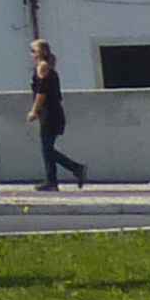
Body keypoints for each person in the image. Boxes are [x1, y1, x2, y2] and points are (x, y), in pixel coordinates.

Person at [27, 38, 89, 191]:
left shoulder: (42, 67)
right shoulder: (45, 67)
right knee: (47, 148)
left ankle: (76, 168)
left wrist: (34, 110)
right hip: (51, 112)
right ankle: (52, 181)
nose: (31, 54)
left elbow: (42, 93)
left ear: (40, 53)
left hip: (50, 112)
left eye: (33, 51)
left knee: (47, 148)